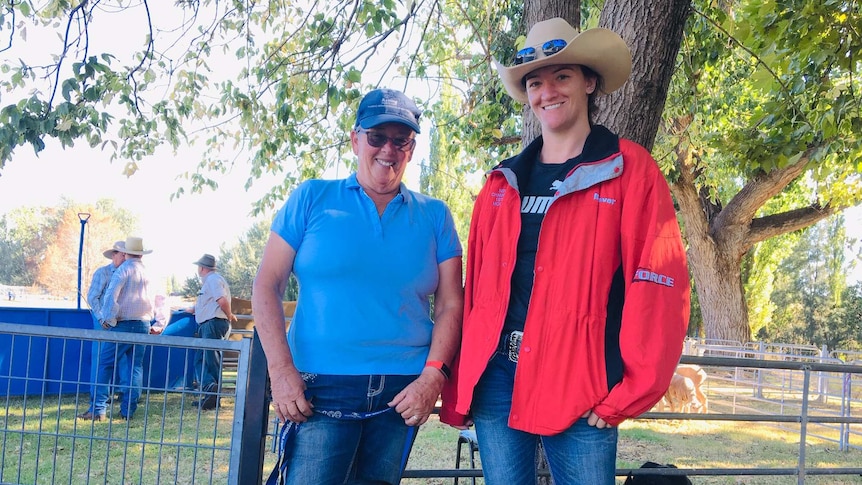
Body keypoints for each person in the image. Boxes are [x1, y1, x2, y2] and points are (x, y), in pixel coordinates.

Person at [439, 18, 690, 484]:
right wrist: (464, 381)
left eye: (561, 76)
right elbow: (477, 296)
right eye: (535, 81)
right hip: (496, 379)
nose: (546, 91)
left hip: (582, 384)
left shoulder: (629, 169)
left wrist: (630, 387)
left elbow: (659, 281)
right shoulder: (500, 183)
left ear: (589, 82)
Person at [253, 88, 464, 484]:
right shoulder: (312, 197)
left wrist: (433, 377)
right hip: (317, 387)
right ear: (355, 140)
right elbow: (267, 285)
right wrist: (280, 372)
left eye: (400, 139)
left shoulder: (436, 215)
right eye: (376, 136)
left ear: (411, 148)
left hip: (403, 391)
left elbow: (452, 303)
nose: (388, 148)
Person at [78, 236, 155, 421]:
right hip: (143, 323)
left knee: (105, 364)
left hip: (122, 324)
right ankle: (128, 411)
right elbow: (157, 299)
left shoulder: (123, 270)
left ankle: (98, 410)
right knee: (135, 367)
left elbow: (111, 295)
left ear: (126, 253)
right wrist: (156, 321)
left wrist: (107, 319)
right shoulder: (148, 272)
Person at [186, 254, 237, 410]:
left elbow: (221, 300)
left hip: (212, 324)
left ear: (202, 268)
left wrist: (228, 316)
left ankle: (211, 391)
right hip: (210, 323)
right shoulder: (213, 280)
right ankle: (210, 396)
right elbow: (210, 302)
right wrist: (194, 309)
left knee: (209, 360)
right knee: (204, 359)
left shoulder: (212, 280)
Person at [85, 240, 127, 398]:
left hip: (122, 320)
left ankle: (123, 392)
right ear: (114, 255)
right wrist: (101, 317)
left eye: (126, 255)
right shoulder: (102, 273)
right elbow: (92, 297)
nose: (124, 258)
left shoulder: (127, 272)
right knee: (101, 357)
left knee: (123, 358)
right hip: (104, 320)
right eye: (122, 255)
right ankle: (98, 394)